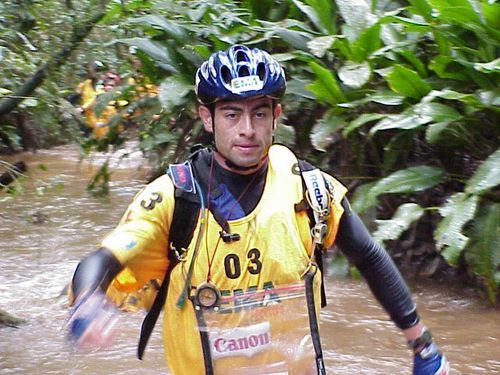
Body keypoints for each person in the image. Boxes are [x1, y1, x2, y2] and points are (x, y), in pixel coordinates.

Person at [67, 45, 450, 375]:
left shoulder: (310, 190)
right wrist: (87, 304)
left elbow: (369, 256)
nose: (247, 129)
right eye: (232, 114)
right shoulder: (174, 198)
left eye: (259, 114)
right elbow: (100, 261)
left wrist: (422, 345)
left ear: (276, 115)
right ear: (207, 118)